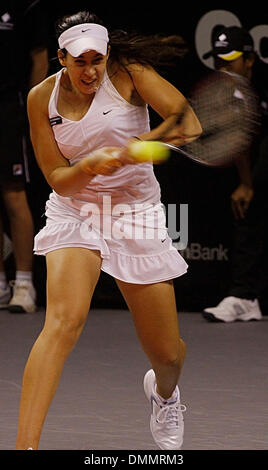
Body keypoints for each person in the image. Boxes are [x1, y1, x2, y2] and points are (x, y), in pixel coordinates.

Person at [15, 10, 202, 450]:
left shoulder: (130, 74)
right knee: (62, 322)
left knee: (167, 354)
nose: (90, 70)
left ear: (107, 54)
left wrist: (143, 147)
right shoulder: (40, 98)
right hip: (75, 209)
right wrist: (92, 165)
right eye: (80, 61)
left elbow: (187, 122)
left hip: (137, 210)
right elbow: (58, 178)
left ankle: (166, 394)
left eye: (97, 59)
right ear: (62, 57)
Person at [202, 26, 267, 322]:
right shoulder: (229, 91)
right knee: (247, 209)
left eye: (230, 60)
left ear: (250, 60)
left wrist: (250, 183)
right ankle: (244, 297)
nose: (223, 67)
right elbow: (240, 141)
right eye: (219, 61)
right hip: (257, 159)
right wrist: (246, 183)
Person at [0, 1, 49, 313]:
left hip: (11, 108)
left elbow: (40, 60)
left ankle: (24, 283)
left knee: (14, 195)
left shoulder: (27, 6)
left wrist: (30, 109)